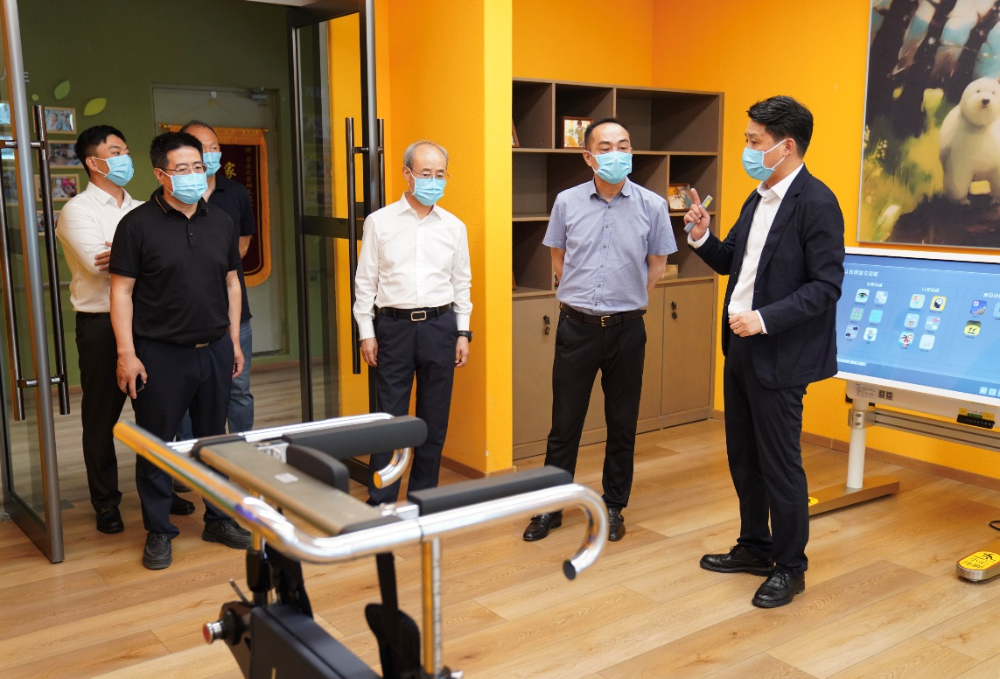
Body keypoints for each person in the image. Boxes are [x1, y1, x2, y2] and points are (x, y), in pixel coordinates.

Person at [684, 96, 845, 608]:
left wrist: (765, 318)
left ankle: (791, 567)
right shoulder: (757, 198)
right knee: (744, 457)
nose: (748, 149)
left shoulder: (817, 203)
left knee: (780, 465)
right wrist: (702, 237)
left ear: (786, 145)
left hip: (780, 353)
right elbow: (732, 260)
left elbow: (826, 286)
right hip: (741, 347)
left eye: (755, 141)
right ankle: (754, 546)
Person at [522, 118, 675, 543]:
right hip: (577, 327)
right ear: (589, 157)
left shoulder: (652, 205)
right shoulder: (567, 202)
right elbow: (558, 258)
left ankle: (613, 505)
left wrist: (624, 298)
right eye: (606, 148)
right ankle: (551, 507)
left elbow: (657, 266)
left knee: (622, 423)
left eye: (624, 145)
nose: (617, 154)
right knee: (564, 424)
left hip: (628, 330)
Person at [110, 131, 251, 570]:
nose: (194, 175)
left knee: (214, 441)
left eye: (198, 166)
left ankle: (219, 518)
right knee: (157, 444)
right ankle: (159, 530)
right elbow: (121, 292)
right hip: (160, 353)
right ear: (161, 174)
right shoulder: (136, 225)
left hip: (214, 348)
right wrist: (127, 353)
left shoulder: (220, 221)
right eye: (183, 169)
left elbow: (232, 283)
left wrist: (233, 340)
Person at [57, 125, 195, 533]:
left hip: (149, 324)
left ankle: (161, 490)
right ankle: (106, 502)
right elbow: (101, 264)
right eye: (115, 151)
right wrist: (146, 255)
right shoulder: (77, 210)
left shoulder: (141, 207)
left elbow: (138, 260)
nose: (125, 157)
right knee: (102, 418)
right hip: (101, 325)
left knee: (157, 416)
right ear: (93, 162)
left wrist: (134, 256)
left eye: (126, 150)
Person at [353, 140, 472, 505]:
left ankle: (424, 498)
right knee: (390, 420)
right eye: (425, 173)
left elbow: (461, 282)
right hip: (394, 328)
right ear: (407, 174)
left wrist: (463, 331)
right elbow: (365, 282)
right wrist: (367, 332)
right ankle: (382, 499)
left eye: (440, 175)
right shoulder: (380, 222)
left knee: (434, 420)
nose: (433, 181)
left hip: (441, 326)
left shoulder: (454, 226)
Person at [173, 121, 255, 446]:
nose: (209, 154)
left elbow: (244, 243)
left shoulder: (236, 193)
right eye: (201, 147)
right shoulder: (172, 196)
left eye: (214, 147)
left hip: (233, 310)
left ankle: (243, 451)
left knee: (239, 387)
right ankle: (192, 455)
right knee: (186, 390)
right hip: (187, 314)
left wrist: (213, 268)